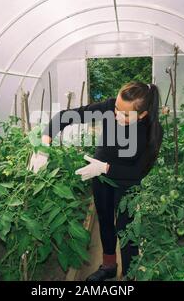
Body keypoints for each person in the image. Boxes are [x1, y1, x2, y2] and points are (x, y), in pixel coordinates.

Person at [28, 81, 164, 281]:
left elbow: (138, 171)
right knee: (105, 220)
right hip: (99, 176)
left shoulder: (152, 130)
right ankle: (109, 266)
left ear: (142, 114)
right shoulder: (110, 108)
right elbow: (67, 116)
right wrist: (44, 145)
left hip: (127, 183)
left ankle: (129, 274)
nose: (117, 115)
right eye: (117, 108)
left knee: (126, 228)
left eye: (125, 114)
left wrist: (106, 168)